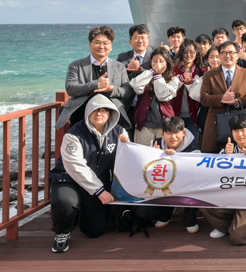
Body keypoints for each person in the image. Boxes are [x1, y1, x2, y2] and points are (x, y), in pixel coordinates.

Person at [49, 94, 129, 253]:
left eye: (104, 110)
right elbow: (75, 166)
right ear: (88, 112)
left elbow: (129, 159)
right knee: (65, 203)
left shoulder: (119, 132)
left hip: (96, 183)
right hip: (68, 179)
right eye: (95, 110)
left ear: (111, 113)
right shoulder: (74, 134)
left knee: (94, 231)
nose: (99, 113)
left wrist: (129, 147)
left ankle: (78, 213)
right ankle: (62, 232)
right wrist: (99, 191)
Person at [203, 113, 246, 245]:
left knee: (238, 238)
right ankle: (227, 226)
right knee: (201, 200)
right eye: (235, 131)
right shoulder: (227, 150)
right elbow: (215, 175)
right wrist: (226, 157)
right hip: (229, 196)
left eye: (243, 130)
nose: (239, 135)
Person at [59, 26, 133, 130]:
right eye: (97, 42)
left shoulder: (119, 66)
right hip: (81, 116)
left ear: (111, 46)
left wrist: (112, 89)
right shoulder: (76, 65)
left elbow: (127, 91)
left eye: (106, 43)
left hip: (111, 117)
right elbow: (70, 88)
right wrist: (95, 84)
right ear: (90, 45)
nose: (101, 46)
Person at [134, 116, 201, 233]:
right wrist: (153, 155)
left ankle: (189, 215)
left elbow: (197, 172)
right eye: (169, 133)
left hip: (187, 187)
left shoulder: (193, 147)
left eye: (176, 133)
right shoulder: (155, 144)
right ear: (162, 134)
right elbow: (145, 171)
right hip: (165, 187)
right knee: (143, 211)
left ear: (183, 133)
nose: (173, 137)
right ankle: (166, 213)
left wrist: (175, 158)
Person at [199, 41, 246, 153]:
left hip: (239, 122)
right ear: (219, 56)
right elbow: (204, 98)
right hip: (215, 123)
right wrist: (222, 98)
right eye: (223, 53)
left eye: (231, 52)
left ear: (237, 55)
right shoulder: (209, 75)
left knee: (240, 156)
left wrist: (237, 101)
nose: (227, 55)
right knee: (213, 157)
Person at [129, 48, 180, 145]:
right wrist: (152, 72)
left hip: (165, 126)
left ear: (167, 63)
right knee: (143, 156)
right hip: (144, 125)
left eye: (161, 61)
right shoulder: (146, 76)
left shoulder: (173, 80)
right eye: (154, 61)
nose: (158, 64)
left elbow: (162, 96)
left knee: (164, 156)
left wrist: (158, 75)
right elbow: (135, 85)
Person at [172, 40, 204, 139]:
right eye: (185, 52)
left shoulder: (201, 71)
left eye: (192, 52)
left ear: (196, 53)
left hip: (194, 116)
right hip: (176, 115)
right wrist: (181, 78)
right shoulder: (174, 70)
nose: (188, 55)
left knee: (192, 145)